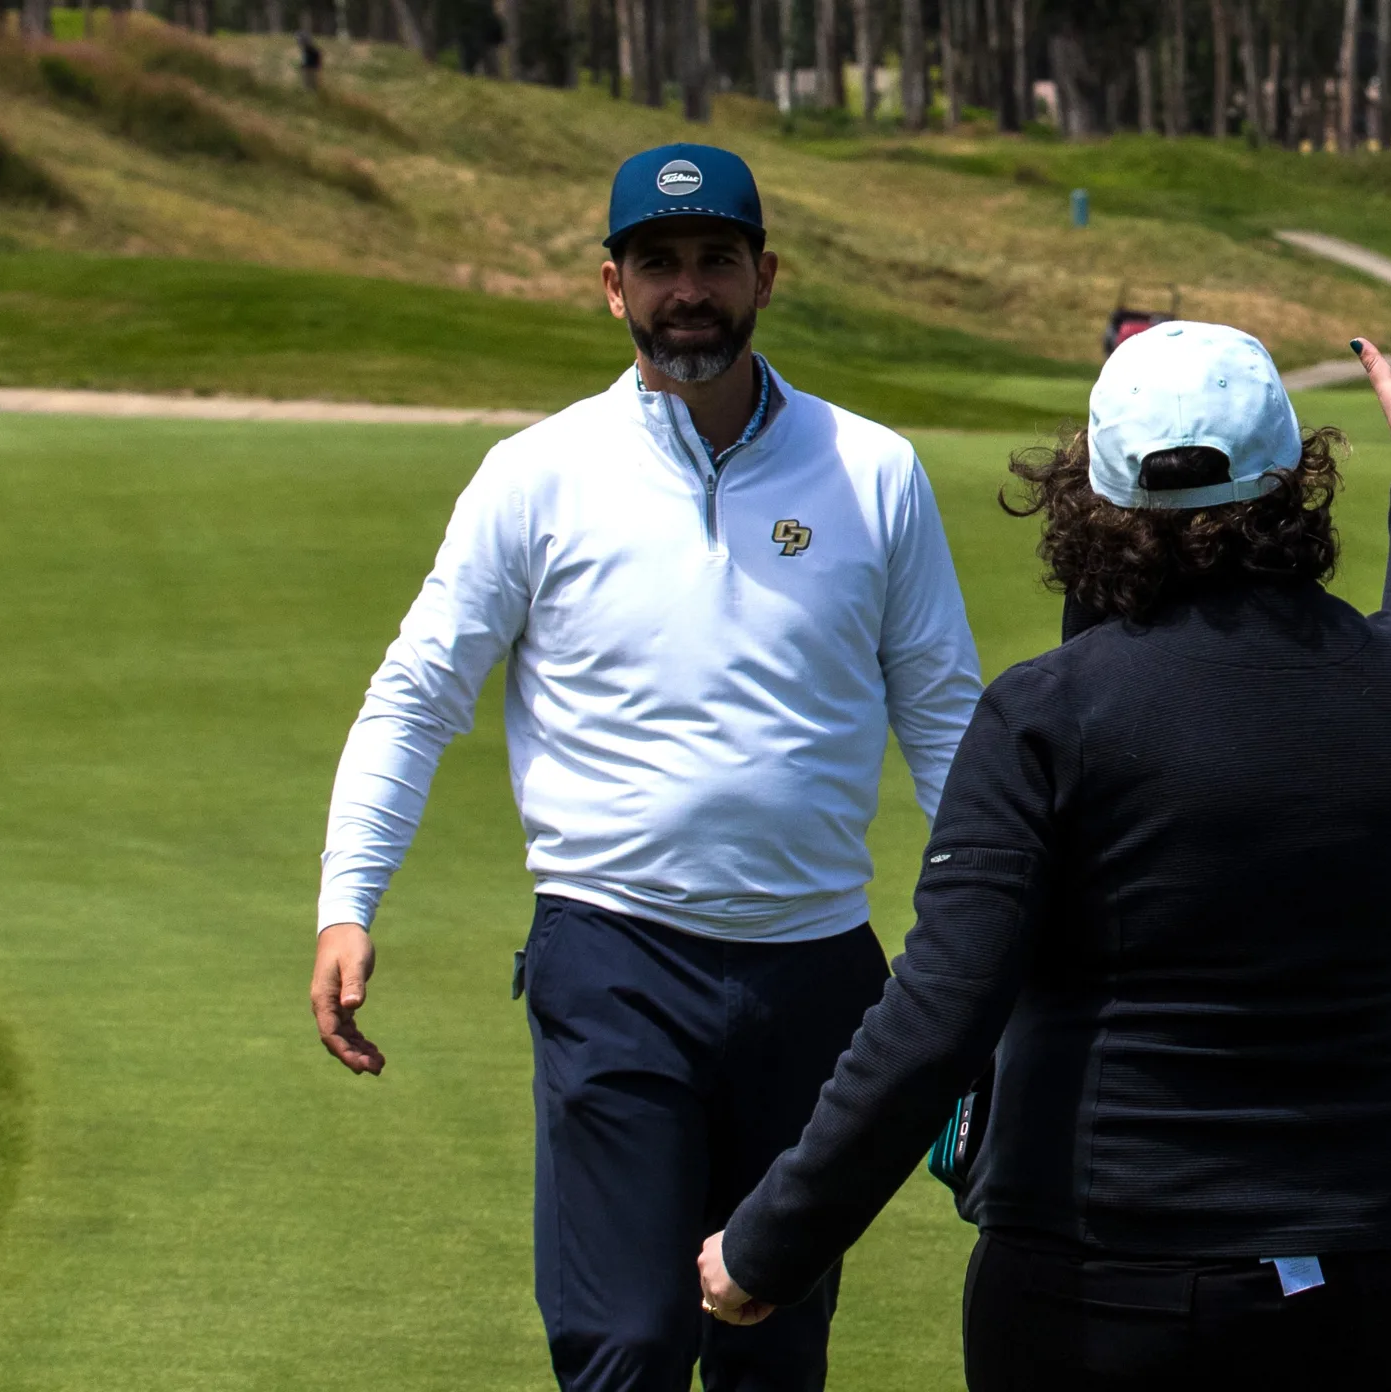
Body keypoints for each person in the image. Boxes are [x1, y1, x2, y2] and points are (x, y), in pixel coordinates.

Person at [693, 308, 1391, 1388]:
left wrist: (770, 1244)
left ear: (1091, 487)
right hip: (1357, 1273)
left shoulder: (1044, 716)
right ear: (1294, 480)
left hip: (1095, 1280)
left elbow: (937, 1017)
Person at [308, 143, 981, 1391]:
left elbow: (945, 719)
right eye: (656, 263)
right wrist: (350, 899)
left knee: (770, 1348)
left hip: (820, 975)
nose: (688, 290)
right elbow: (414, 700)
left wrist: (991, 940)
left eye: (714, 261)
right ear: (609, 288)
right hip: (617, 957)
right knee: (628, 1338)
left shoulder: (872, 471)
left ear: (763, 276)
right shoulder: (538, 474)